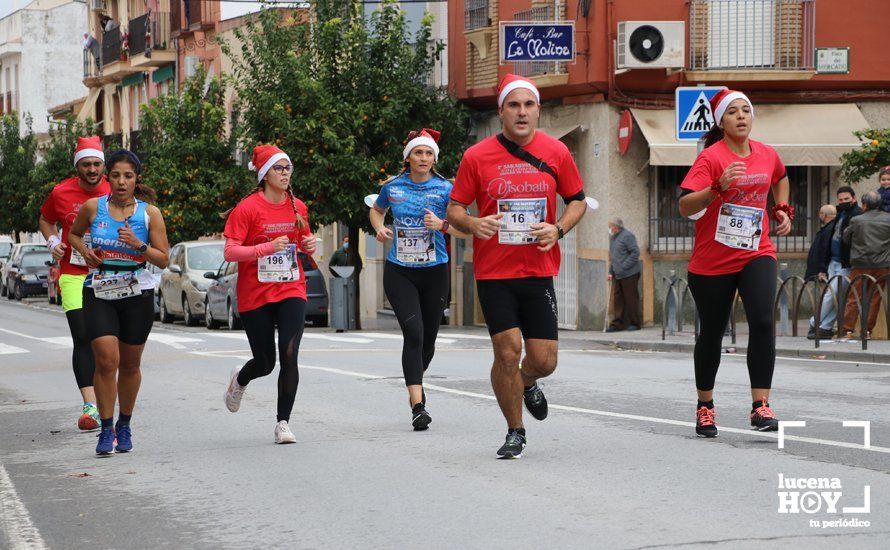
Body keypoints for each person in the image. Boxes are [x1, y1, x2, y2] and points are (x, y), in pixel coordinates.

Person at [446, 74, 587, 458]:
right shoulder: (477, 156)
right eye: (514, 105)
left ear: (538, 110)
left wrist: (558, 229)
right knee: (507, 351)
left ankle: (526, 382)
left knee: (544, 360)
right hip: (494, 272)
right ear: (501, 111)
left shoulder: (557, 152)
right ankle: (515, 430)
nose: (522, 112)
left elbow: (577, 201)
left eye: (528, 105)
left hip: (538, 269)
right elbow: (455, 209)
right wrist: (474, 223)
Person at [677, 88, 793, 439]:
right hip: (712, 259)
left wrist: (781, 209)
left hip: (757, 250)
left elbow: (781, 177)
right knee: (712, 333)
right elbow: (685, 206)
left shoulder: (767, 154)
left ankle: (761, 406)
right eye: (733, 112)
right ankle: (705, 406)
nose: (741, 116)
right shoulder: (711, 159)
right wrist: (716, 188)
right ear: (721, 121)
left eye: (746, 110)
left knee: (761, 321)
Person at [68, 150, 169, 456]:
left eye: (128, 176)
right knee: (106, 359)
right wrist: (86, 253)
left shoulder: (149, 214)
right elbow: (73, 235)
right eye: (115, 175)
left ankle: (124, 424)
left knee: (129, 364)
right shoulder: (92, 207)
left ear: (137, 179)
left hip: (136, 291)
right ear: (106, 177)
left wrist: (138, 245)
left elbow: (163, 259)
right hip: (100, 290)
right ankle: (107, 428)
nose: (122, 181)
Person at [369, 128, 468, 430]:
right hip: (400, 270)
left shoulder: (447, 188)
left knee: (428, 341)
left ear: (434, 159)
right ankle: (418, 406)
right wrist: (380, 228)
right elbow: (376, 209)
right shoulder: (393, 186)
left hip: (435, 270)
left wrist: (442, 225)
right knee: (413, 333)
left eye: (428, 153)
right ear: (408, 157)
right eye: (418, 153)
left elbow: (466, 229)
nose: (423, 158)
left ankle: (415, 378)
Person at [222, 145, 317, 445]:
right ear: (264, 174)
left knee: (290, 353)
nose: (285, 172)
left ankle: (282, 423)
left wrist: (310, 246)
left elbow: (302, 244)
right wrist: (265, 248)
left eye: (288, 167)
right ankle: (241, 379)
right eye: (279, 168)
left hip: (291, 288)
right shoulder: (247, 208)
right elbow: (230, 250)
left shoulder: (297, 207)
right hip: (255, 293)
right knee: (265, 362)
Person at [38, 136, 111, 431]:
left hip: (109, 275)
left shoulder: (115, 188)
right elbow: (45, 220)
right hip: (73, 272)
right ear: (77, 166)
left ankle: (108, 397)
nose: (92, 170)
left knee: (105, 342)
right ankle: (90, 407)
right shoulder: (60, 192)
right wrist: (53, 240)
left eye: (96, 164)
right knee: (82, 337)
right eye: (86, 165)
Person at [841, 190, 890, 339]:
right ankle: (867, 331)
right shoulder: (888, 219)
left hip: (860, 263)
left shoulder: (857, 220)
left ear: (865, 204)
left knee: (854, 296)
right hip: (882, 264)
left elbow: (846, 238)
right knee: (875, 298)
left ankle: (847, 329)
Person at [805, 204, 837, 339]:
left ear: (824, 215)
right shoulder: (829, 228)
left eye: (820, 214)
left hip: (825, 269)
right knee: (829, 297)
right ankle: (822, 326)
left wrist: (822, 270)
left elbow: (824, 250)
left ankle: (817, 323)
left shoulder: (829, 229)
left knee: (829, 297)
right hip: (824, 269)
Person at [606, 217, 641, 332]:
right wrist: (611, 271)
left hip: (630, 273)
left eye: (610, 226)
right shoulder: (613, 238)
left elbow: (635, 253)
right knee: (617, 299)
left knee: (631, 299)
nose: (609, 228)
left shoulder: (627, 236)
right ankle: (617, 324)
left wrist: (624, 266)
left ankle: (635, 323)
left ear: (616, 227)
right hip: (618, 274)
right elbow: (613, 257)